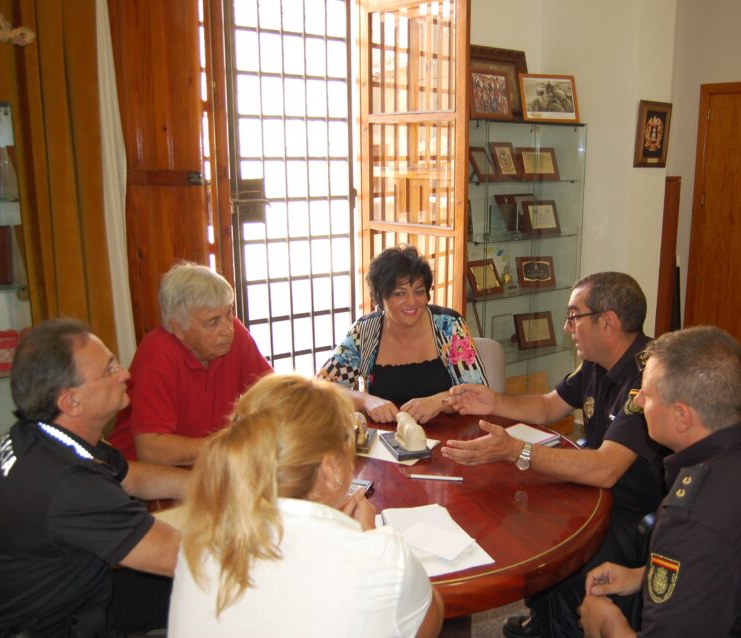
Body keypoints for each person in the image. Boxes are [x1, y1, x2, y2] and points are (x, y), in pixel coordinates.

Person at [442, 272, 667, 638]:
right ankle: (543, 621)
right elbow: (549, 406)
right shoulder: (596, 361)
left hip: (634, 509)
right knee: (532, 520)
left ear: (607, 323)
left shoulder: (649, 376)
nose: (566, 327)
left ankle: (561, 629)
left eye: (574, 316)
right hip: (597, 489)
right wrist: (493, 400)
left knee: (567, 553)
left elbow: (607, 469)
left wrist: (517, 450)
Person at [579, 326, 741, 637]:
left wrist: (608, 625)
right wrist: (642, 575)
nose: (638, 401)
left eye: (646, 394)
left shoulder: (692, 520)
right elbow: (736, 557)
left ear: (681, 417)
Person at [0, 319, 190, 637]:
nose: (125, 374)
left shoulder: (37, 434)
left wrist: (211, 485)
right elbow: (180, 558)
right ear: (71, 401)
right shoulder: (69, 483)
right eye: (110, 369)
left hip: (55, 602)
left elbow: (131, 476)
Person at [167, 373, 444, 637]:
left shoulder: (199, 540)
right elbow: (429, 621)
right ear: (331, 468)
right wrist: (370, 536)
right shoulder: (381, 556)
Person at [108, 261, 272, 465]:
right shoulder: (157, 356)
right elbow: (151, 450)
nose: (227, 329)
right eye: (212, 322)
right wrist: (235, 445)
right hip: (144, 482)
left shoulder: (235, 333)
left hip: (207, 465)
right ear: (177, 328)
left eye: (229, 313)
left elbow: (270, 392)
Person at [319, 245, 486, 424]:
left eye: (419, 292)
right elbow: (322, 389)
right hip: (386, 442)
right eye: (400, 293)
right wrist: (365, 400)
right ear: (381, 297)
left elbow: (478, 393)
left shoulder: (449, 326)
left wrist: (439, 402)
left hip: (449, 438)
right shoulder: (365, 331)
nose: (412, 302)